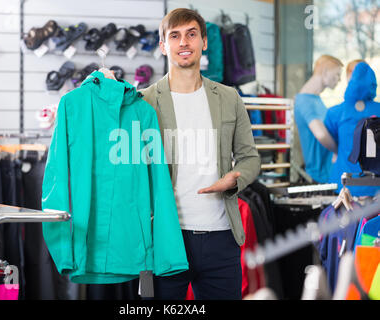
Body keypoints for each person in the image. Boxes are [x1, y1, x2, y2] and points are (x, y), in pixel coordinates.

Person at [103, 8, 260, 300]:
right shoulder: (143, 102)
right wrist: (105, 92)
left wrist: (235, 179)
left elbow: (250, 158)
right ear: (163, 46)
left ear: (204, 42)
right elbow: (119, 161)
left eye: (191, 34)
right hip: (165, 238)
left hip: (222, 238)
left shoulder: (229, 98)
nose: (184, 42)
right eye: (174, 36)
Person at [324, 61, 380, 197]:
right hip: (375, 188)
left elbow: (330, 139)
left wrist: (336, 151)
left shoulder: (335, 113)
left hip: (344, 187)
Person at [294, 55, 342, 183]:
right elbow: (320, 134)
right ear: (325, 71)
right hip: (320, 175)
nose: (339, 79)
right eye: (337, 74)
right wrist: (339, 151)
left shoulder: (316, 99)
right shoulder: (305, 100)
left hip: (329, 172)